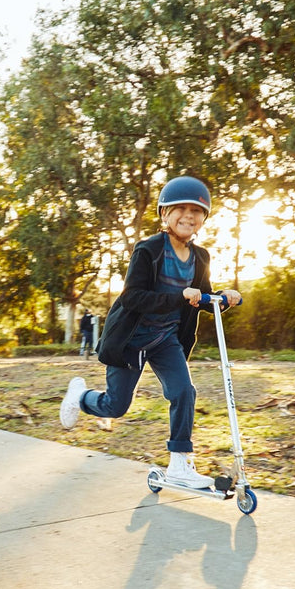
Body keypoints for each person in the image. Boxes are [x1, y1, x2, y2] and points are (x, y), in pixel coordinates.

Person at [59, 175, 241, 489]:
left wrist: (223, 298)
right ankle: (81, 396)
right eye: (180, 209)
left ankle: (180, 463)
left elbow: (201, 298)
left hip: (166, 339)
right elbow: (132, 297)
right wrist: (179, 297)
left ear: (203, 218)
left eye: (196, 211)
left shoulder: (201, 257)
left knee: (184, 392)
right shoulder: (149, 249)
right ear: (165, 213)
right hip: (131, 339)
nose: (188, 216)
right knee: (116, 406)